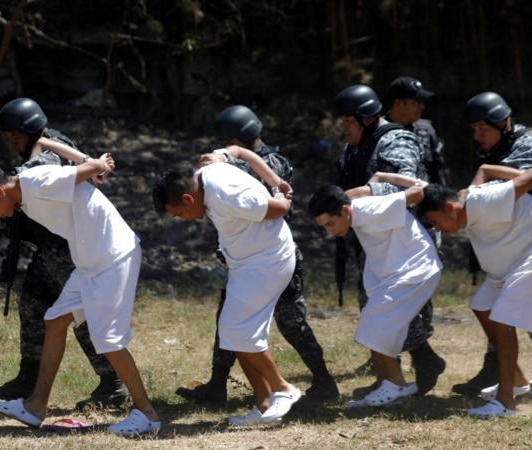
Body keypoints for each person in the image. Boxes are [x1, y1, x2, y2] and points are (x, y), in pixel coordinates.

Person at [0, 158, 161, 437]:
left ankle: (147, 414)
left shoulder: (37, 182)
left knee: (108, 339)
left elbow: (87, 170)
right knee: (54, 321)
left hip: (114, 256)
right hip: (89, 263)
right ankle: (35, 406)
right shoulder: (24, 193)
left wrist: (99, 165)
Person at [175, 105, 338, 405]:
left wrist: (223, 161)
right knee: (231, 320)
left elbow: (264, 198)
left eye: (228, 142)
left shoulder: (273, 161)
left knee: (291, 321)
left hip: (272, 255)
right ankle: (218, 384)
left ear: (238, 137)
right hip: (244, 257)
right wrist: (223, 158)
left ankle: (323, 379)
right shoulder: (232, 157)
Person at [0, 97, 128, 409]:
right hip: (51, 248)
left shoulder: (49, 151)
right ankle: (29, 378)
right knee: (34, 305)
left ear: (30, 128)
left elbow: (41, 172)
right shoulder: (43, 147)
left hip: (71, 250)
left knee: (82, 316)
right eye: (8, 138)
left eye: (15, 136)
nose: (12, 142)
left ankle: (113, 382)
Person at [153, 151, 302, 427]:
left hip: (268, 261)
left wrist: (278, 189)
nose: (183, 220)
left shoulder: (227, 196)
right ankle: (265, 407)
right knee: (234, 335)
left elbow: (281, 209)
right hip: (246, 264)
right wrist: (272, 177)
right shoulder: (205, 174)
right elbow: (238, 150)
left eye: (179, 214)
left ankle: (283, 388)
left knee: (237, 331)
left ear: (188, 198)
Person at [417, 165, 532, 418]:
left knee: (503, 320)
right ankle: (516, 380)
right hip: (514, 257)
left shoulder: (484, 200)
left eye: (435, 221)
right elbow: (481, 168)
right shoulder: (466, 201)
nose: (436, 228)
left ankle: (506, 403)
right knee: (482, 305)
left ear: (449, 207)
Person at [333, 84, 446, 397]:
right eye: (341, 120)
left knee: (396, 310)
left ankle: (421, 363)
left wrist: (358, 195)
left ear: (367, 119)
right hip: (372, 239)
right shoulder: (352, 147)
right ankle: (389, 376)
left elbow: (405, 190)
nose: (343, 126)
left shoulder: (396, 140)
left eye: (348, 120)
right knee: (372, 304)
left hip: (404, 243)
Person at [452, 92, 532, 397]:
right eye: (473, 130)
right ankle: (498, 369)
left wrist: (477, 187)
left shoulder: (528, 142)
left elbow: (510, 189)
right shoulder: (497, 147)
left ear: (502, 122)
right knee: (495, 308)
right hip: (513, 240)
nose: (478, 136)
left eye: (482, 129)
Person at [308, 175, 442, 408]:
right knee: (376, 325)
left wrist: (382, 178)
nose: (330, 231)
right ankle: (387, 386)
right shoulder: (352, 211)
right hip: (395, 271)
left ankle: (396, 385)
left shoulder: (372, 207)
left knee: (375, 322)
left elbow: (419, 192)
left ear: (345, 211)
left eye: (331, 223)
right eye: (324, 227)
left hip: (416, 269)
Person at [384, 76, 446, 185]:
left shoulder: (426, 130)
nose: (422, 106)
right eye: (417, 102)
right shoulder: (377, 132)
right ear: (399, 103)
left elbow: (437, 173)